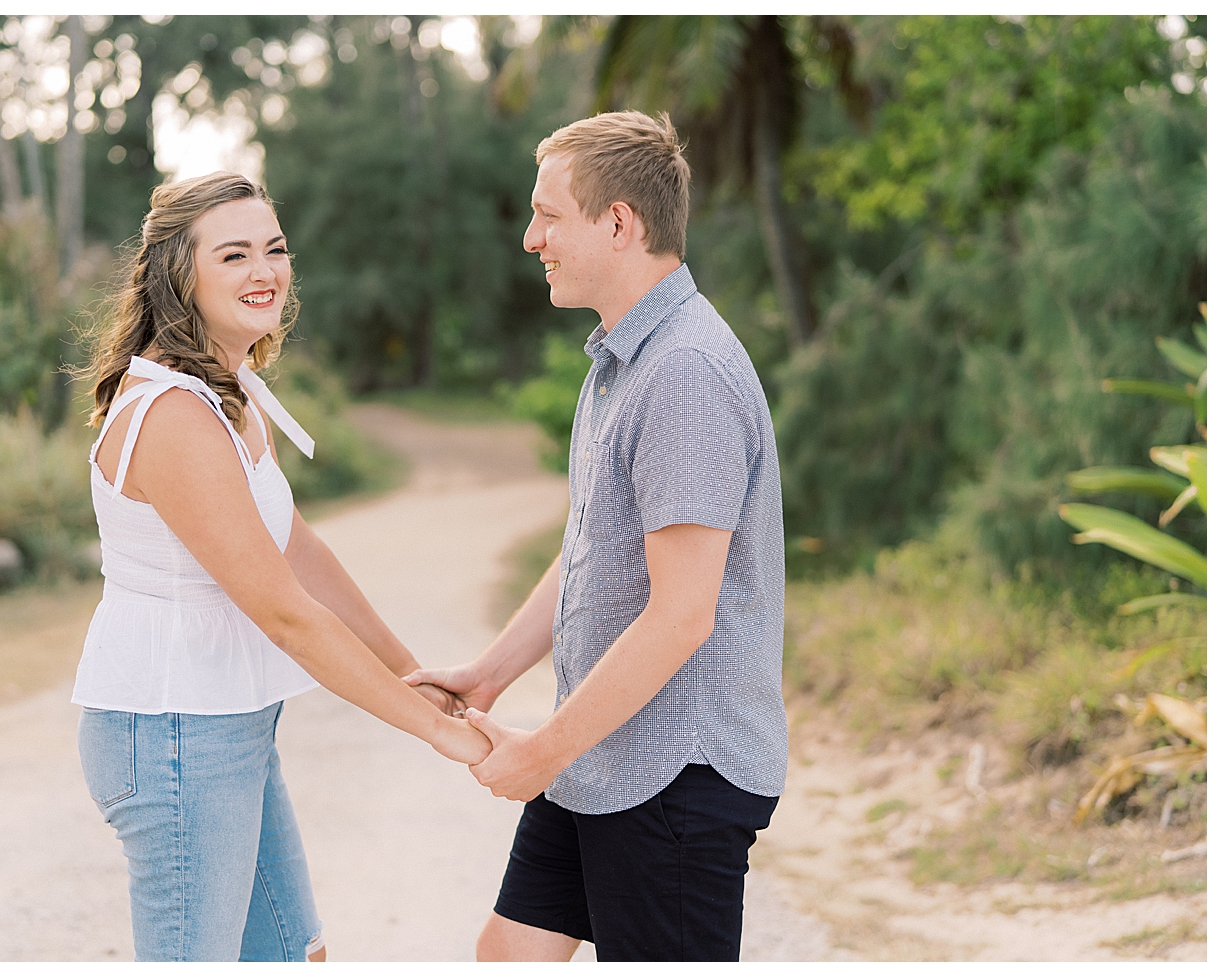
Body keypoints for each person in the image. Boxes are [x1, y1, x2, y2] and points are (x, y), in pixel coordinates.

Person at [71, 171, 489, 962]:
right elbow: (285, 612)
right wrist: (433, 731)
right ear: (178, 275)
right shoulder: (171, 414)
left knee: (292, 953)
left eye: (274, 248)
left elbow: (298, 550)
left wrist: (410, 671)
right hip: (173, 733)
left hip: (228, 726)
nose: (264, 271)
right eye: (233, 255)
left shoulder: (230, 392)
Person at [405, 110, 788, 962]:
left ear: (620, 223)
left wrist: (541, 751)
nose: (532, 238)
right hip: (602, 753)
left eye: (549, 216)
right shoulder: (622, 360)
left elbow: (682, 615)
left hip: (676, 775)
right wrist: (490, 674)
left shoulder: (686, 371)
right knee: (508, 954)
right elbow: (590, 549)